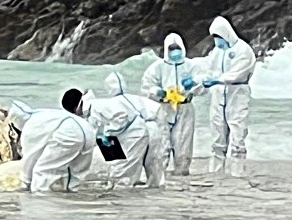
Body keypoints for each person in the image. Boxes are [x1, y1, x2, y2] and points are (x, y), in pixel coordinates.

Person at [83, 71, 165, 188]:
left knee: (127, 164)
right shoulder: (137, 98)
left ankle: (126, 188)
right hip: (153, 128)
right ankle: (156, 188)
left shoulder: (111, 103)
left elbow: (119, 122)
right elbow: (159, 112)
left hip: (136, 132)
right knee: (154, 164)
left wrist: (108, 133)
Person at [8, 92, 97, 193]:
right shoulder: (44, 114)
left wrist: (26, 182)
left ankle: (40, 199)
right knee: (76, 171)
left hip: (69, 133)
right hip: (88, 130)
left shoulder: (31, 124)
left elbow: (32, 155)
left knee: (44, 170)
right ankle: (73, 195)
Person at [199, 16, 257, 173]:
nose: (217, 41)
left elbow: (237, 74)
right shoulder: (218, 51)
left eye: (219, 37)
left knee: (237, 134)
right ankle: (216, 173)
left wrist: (217, 80)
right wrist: (200, 82)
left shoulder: (243, 50)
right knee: (218, 138)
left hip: (237, 94)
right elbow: (208, 69)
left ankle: (238, 172)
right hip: (218, 95)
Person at [141, 33, 201, 175]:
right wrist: (158, 92)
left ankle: (182, 171)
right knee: (162, 140)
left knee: (183, 141)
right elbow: (146, 86)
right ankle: (160, 174)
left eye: (177, 48)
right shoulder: (157, 67)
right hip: (163, 107)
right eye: (172, 48)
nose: (175, 51)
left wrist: (192, 85)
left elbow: (202, 86)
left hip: (184, 107)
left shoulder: (191, 66)